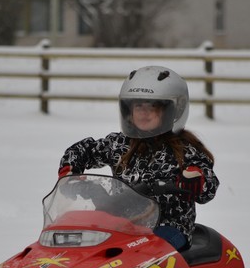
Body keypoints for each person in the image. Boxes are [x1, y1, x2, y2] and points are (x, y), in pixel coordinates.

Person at [57, 66, 219, 250]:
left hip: (167, 228)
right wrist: (70, 169)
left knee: (144, 250)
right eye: (138, 106)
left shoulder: (185, 150)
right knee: (82, 243)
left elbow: (207, 184)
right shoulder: (120, 144)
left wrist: (196, 179)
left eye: (152, 107)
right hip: (120, 224)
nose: (143, 112)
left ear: (173, 111)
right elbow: (87, 150)